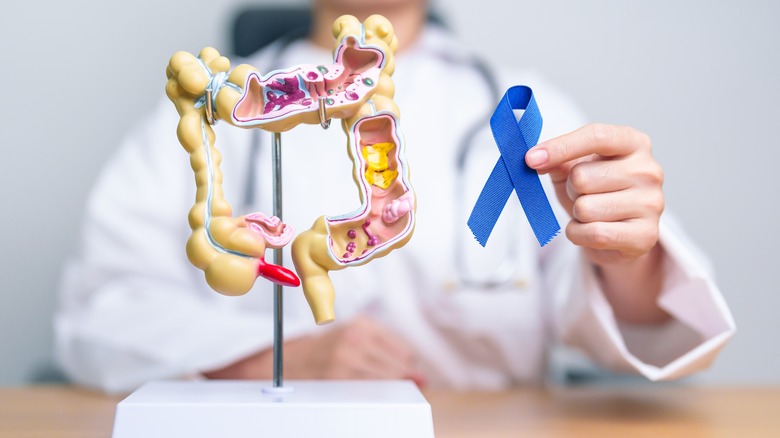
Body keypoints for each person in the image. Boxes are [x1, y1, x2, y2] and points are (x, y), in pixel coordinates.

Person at [55, 0, 735, 393]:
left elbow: (663, 323)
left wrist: (631, 252)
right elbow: (98, 312)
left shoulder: (517, 110)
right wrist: (275, 355)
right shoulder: (220, 105)